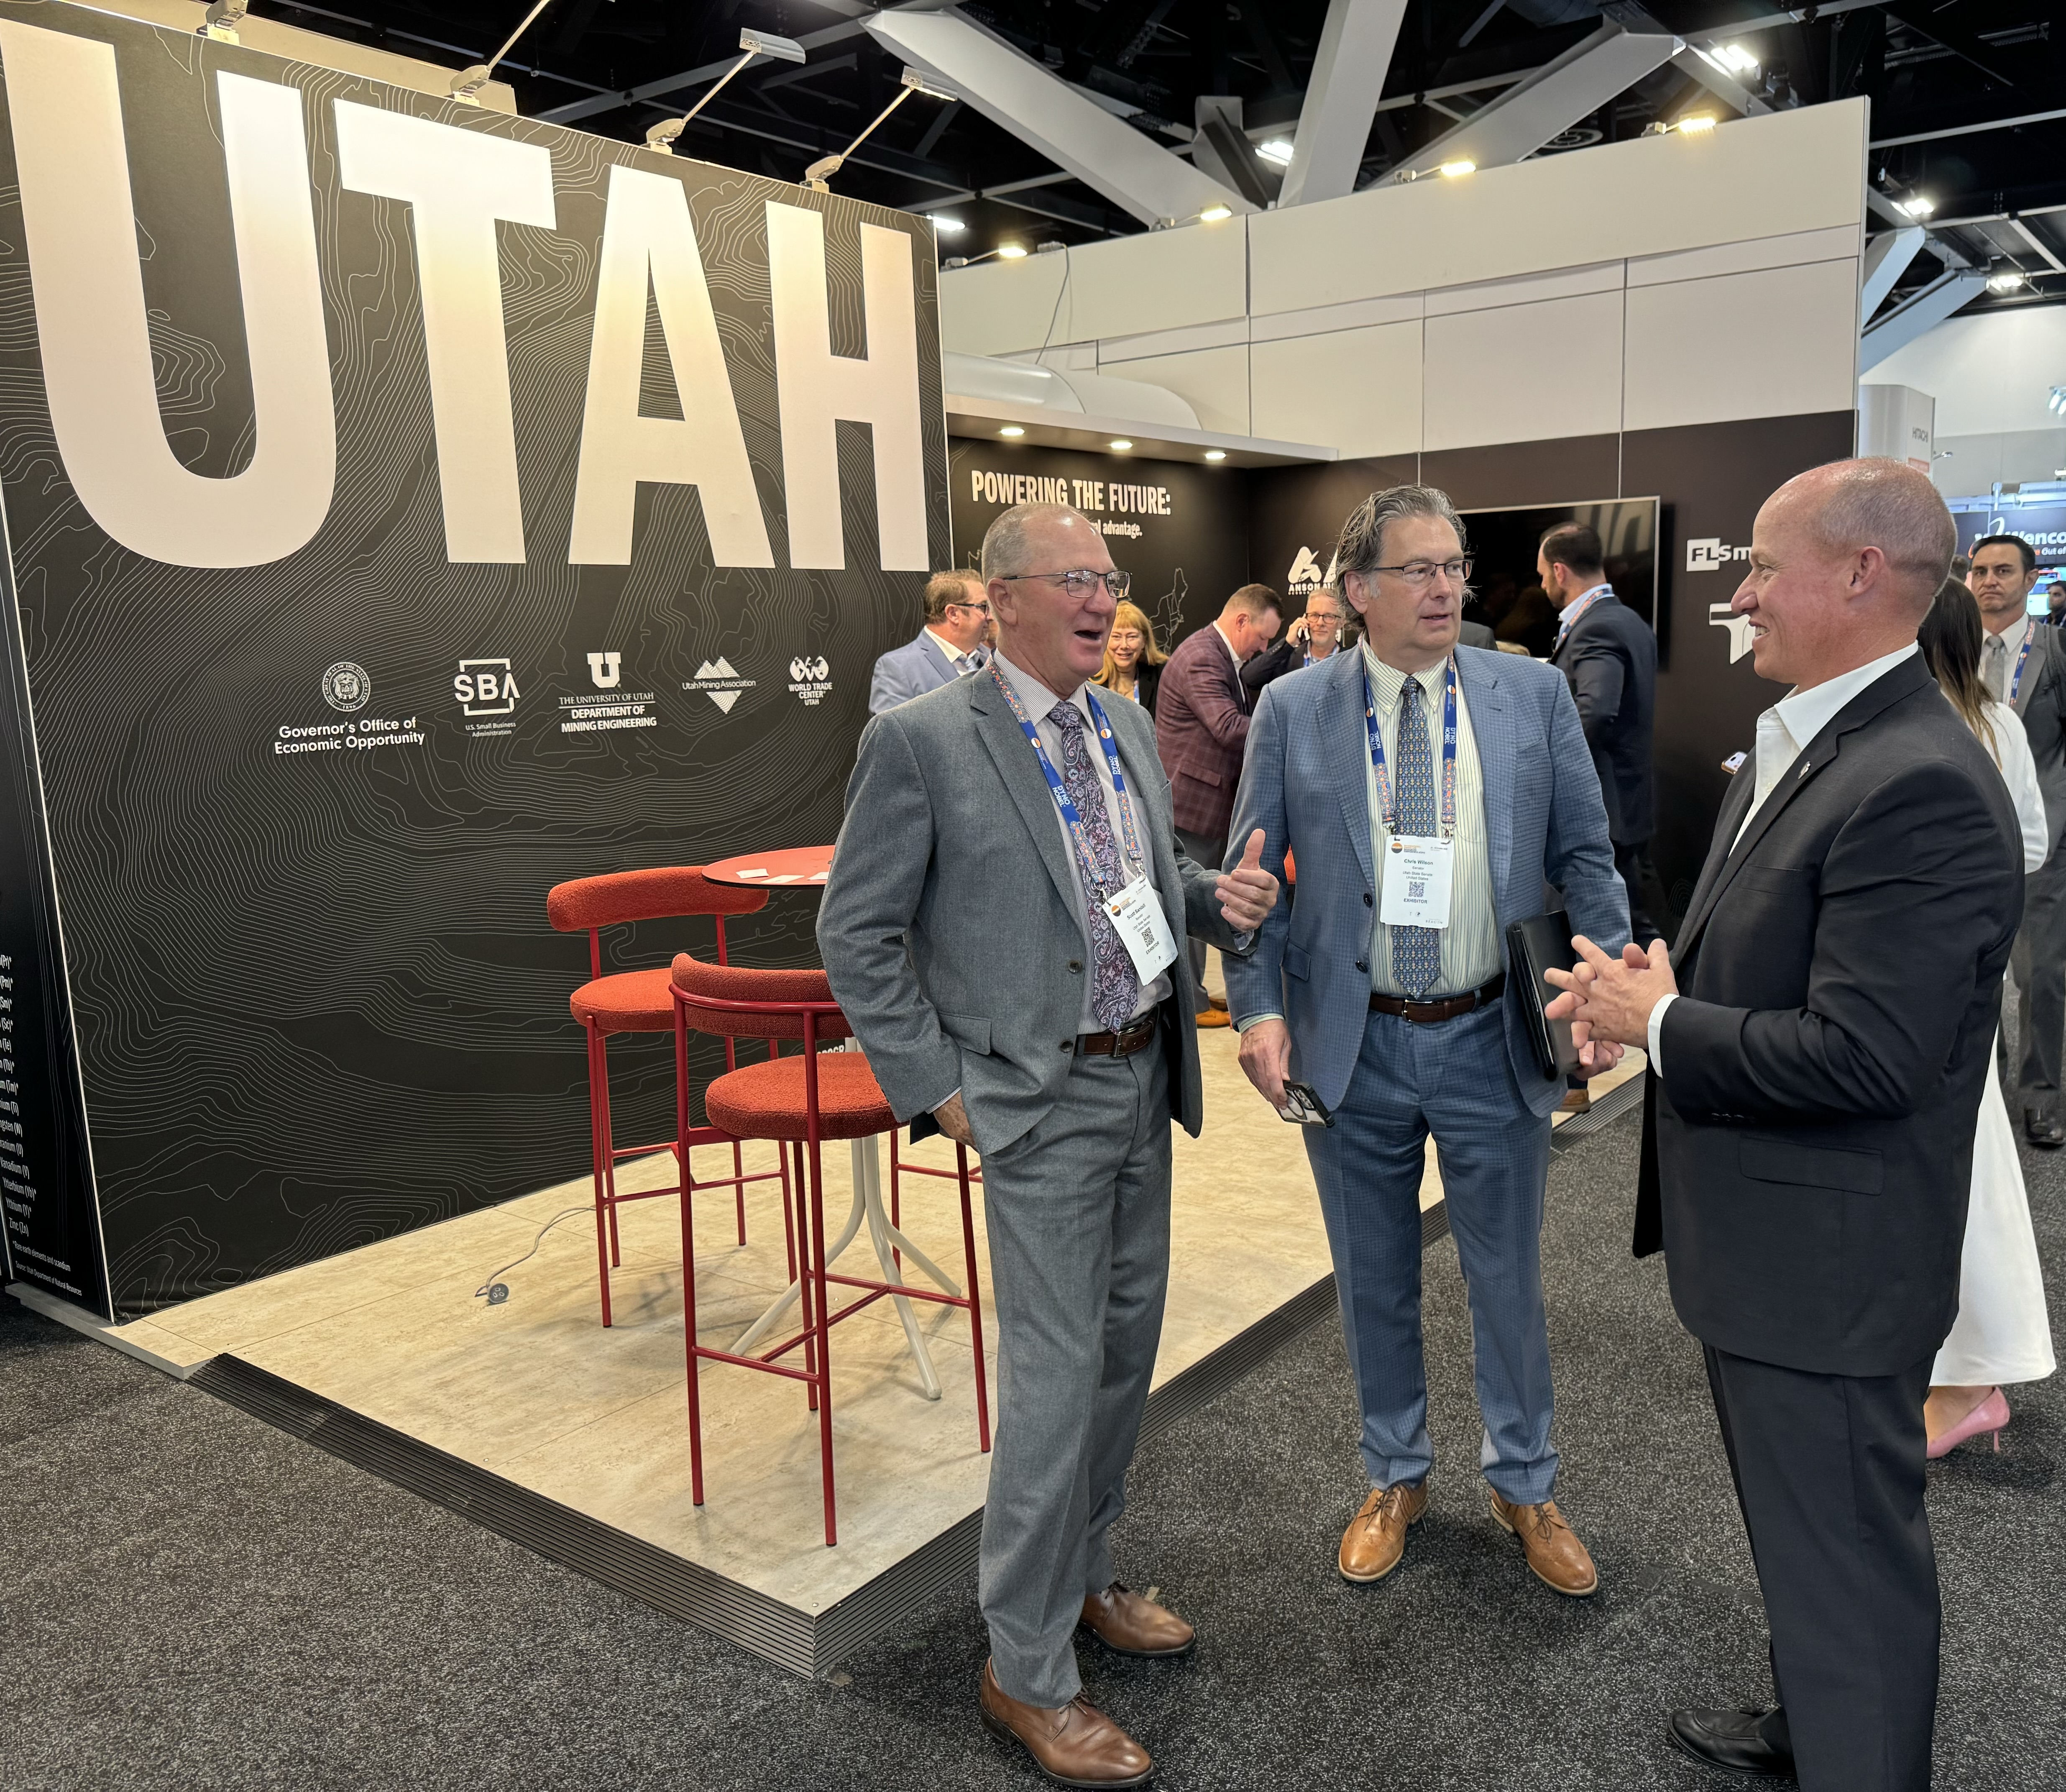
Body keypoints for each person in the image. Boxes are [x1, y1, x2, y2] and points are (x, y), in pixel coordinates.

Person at [1545, 459, 2024, 1790]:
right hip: (1780, 1253)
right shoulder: (1839, 744)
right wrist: (1646, 1004)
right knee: (1813, 1544)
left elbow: (1862, 1057)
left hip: (1827, 1265)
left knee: (1846, 1554)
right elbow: (1792, 984)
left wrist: (1654, 1025)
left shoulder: (1911, 777)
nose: (1737, 595)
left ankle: (1855, 1753)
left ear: (1859, 576)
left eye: (1760, 567)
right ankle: (1821, 1725)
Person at [818, 502, 1278, 1790]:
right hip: (1031, 1104)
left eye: (1110, 580)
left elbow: (1127, 890)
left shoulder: (1122, 722)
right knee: (1050, 1378)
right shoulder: (916, 743)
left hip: (1143, 1087)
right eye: (1075, 580)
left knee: (1120, 1359)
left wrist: (1212, 899)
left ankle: (1081, 1577)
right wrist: (941, 1092)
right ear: (1001, 595)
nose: (1101, 601)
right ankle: (1023, 1671)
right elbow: (856, 935)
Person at [1224, 484, 1629, 1601]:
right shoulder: (1295, 708)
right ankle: (1394, 1471)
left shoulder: (1530, 692)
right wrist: (1256, 1008)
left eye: (1452, 564)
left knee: (1506, 1272)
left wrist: (1599, 985)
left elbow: (1588, 859)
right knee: (1373, 1275)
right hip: (1352, 1040)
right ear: (1357, 590)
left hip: (1488, 1031)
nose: (1446, 585)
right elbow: (1249, 883)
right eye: (1418, 569)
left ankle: (1524, 1480)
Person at [1915, 580, 2056, 1454]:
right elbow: (2029, 846)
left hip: (1929, 988)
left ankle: (1971, 1379)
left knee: (1964, 1177)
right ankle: (1956, 1372)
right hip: (1951, 978)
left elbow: (2025, 849)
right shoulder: (1992, 723)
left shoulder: (1939, 729)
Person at [1972, 532, 2066, 1146]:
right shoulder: (1948, 651)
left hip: (2041, 838)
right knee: (1972, 971)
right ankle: (1985, 1100)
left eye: (2004, 571)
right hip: (1969, 838)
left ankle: (2041, 1097)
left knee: (2043, 976)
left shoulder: (2055, 649)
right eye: (1980, 570)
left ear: (2031, 581)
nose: (1989, 581)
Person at [1155, 583, 1281, 1025]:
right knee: (1187, 902)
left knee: (1209, 896)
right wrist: (1284, 723)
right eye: (1262, 638)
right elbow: (1227, 727)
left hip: (1209, 801)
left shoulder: (1222, 656)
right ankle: (1190, 1001)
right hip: (1192, 803)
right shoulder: (1200, 657)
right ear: (1241, 620)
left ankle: (1200, 992)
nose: (1263, 649)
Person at [1542, 522, 1659, 946]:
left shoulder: (1596, 626)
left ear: (1559, 572)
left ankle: (1656, 1006)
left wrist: (1546, 764)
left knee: (1626, 927)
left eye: (1540, 576)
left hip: (1605, 806)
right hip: (1625, 800)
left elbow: (1594, 710)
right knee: (1631, 919)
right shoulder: (1627, 619)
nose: (1541, 586)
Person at [868, 568, 992, 713]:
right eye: (983, 607)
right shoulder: (898, 668)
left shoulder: (992, 659)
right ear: (953, 614)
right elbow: (892, 733)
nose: (990, 617)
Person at [1242, 586, 1347, 696]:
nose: (1320, 623)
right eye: (1314, 615)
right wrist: (1288, 644)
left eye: (1329, 616)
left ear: (1341, 622)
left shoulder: (1351, 663)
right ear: (1305, 619)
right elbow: (1248, 679)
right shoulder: (1287, 659)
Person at [1094, 599, 1166, 714]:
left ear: (1144, 642)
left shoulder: (1162, 676)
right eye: (1116, 637)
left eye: (1132, 637)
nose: (1124, 645)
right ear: (1105, 639)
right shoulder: (1089, 679)